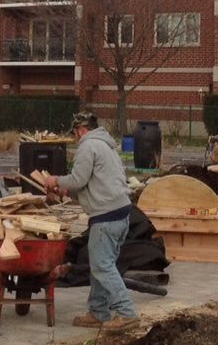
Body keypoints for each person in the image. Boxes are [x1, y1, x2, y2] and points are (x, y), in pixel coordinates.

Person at [33, 112, 139, 332]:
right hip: (120, 212)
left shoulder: (88, 145)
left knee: (102, 266)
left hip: (106, 216)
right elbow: (91, 183)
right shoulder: (106, 146)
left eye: (74, 134)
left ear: (81, 129)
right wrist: (67, 190)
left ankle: (126, 313)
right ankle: (98, 311)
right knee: (101, 264)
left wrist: (56, 180)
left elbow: (78, 179)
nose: (74, 139)